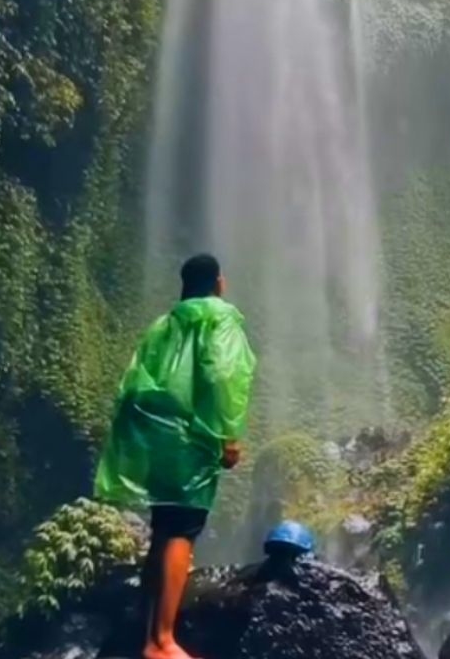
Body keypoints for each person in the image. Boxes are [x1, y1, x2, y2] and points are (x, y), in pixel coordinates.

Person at [95, 253, 256, 659]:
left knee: (163, 530)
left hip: (156, 442)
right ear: (219, 284)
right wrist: (228, 436)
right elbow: (221, 375)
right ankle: (163, 642)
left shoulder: (162, 327)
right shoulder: (218, 318)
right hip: (192, 442)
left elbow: (134, 385)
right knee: (183, 529)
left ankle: (151, 634)